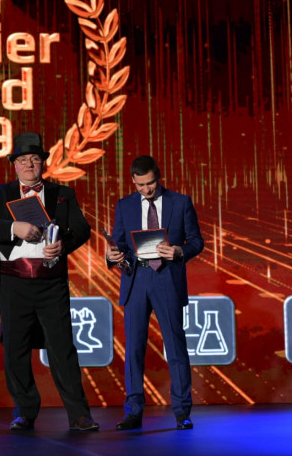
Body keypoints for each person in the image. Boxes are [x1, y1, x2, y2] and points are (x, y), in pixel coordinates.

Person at [0, 132, 99, 432]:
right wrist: (14, 228)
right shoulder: (1, 193)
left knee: (62, 347)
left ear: (43, 163)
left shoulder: (62, 193)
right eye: (23, 160)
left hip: (51, 282)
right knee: (15, 348)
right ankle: (24, 412)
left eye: (35, 159)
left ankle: (79, 414)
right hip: (14, 281)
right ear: (14, 164)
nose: (29, 164)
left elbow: (82, 229)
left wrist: (63, 246)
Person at [106, 155, 204, 431]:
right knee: (134, 349)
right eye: (140, 185)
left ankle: (182, 412)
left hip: (167, 278)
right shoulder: (125, 205)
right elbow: (119, 244)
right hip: (136, 279)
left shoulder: (180, 202)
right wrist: (113, 255)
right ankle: (133, 412)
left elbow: (197, 241)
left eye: (150, 184)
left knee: (175, 346)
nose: (146, 190)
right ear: (133, 181)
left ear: (158, 178)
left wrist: (179, 251)